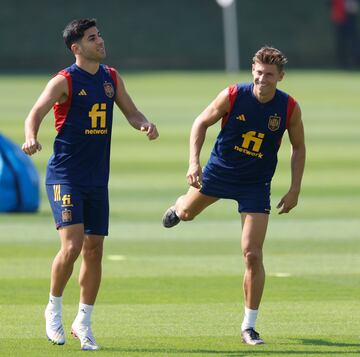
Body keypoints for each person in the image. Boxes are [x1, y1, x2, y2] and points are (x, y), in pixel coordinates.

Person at [22, 18, 159, 350]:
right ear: (76, 47)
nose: (100, 42)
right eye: (92, 38)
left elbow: (131, 112)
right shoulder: (64, 80)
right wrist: (30, 137)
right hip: (65, 177)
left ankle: (83, 322)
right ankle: (53, 309)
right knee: (71, 247)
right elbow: (36, 112)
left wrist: (145, 124)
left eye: (99, 36)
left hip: (97, 180)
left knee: (94, 250)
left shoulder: (111, 78)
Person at [162, 46, 305, 345]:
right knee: (186, 214)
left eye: (268, 74)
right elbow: (200, 123)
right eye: (258, 72)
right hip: (219, 172)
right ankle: (178, 205)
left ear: (280, 76)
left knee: (252, 253)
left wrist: (294, 189)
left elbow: (298, 147)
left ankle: (249, 326)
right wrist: (193, 162)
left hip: (255, 183)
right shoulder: (232, 95)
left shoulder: (289, 107)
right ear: (252, 70)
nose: (262, 79)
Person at [330, 0, 360, 68]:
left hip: (351, 16)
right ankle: (343, 63)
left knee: (353, 41)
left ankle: (356, 62)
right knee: (341, 42)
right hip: (339, 17)